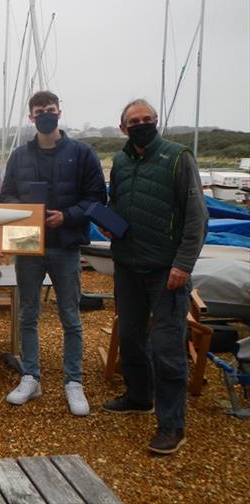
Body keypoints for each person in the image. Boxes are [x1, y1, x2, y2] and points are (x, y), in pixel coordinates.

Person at [102, 99, 207, 455]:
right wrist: (111, 226)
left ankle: (172, 425)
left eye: (147, 119)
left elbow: (197, 217)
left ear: (156, 122)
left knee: (166, 348)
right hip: (128, 265)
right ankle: (138, 395)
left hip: (167, 271)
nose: (142, 124)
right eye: (135, 120)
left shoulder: (179, 157)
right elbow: (117, 203)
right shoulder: (119, 161)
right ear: (123, 127)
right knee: (130, 337)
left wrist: (183, 264)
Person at [0, 91, 107, 416]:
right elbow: (6, 197)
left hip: (66, 244)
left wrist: (68, 216)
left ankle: (73, 381)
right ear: (31, 117)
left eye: (50, 109)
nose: (45, 114)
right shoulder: (19, 155)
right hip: (27, 243)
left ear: (59, 111)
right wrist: (26, 212)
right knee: (28, 314)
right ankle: (31, 376)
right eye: (38, 111)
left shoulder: (82, 153)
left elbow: (95, 199)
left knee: (70, 317)